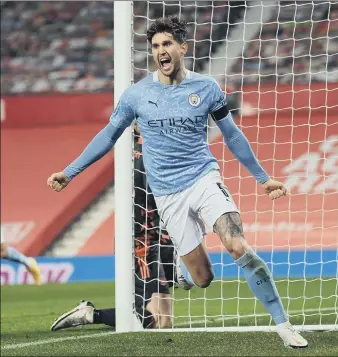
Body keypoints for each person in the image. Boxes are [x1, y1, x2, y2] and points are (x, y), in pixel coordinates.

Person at [47, 16, 308, 348]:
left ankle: (284, 325)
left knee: (237, 244)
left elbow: (232, 135)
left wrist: (263, 178)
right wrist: (69, 171)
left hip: (203, 178)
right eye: (155, 46)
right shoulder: (136, 95)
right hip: (167, 195)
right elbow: (108, 135)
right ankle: (187, 268)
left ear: (182, 48)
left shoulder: (206, 88)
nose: (161, 51)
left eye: (167, 44)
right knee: (203, 279)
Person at [51, 126, 176, 331]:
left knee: (167, 312)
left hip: (155, 236)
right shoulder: (145, 151)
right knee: (159, 321)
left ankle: (175, 276)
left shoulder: (146, 149)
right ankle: (91, 314)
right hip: (140, 242)